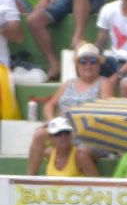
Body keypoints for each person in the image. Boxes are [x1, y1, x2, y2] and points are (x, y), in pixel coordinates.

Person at [26, 43, 109, 176]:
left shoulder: (103, 82)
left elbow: (107, 107)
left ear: (99, 64)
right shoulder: (68, 84)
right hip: (64, 130)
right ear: (77, 65)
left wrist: (76, 113)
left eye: (93, 61)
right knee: (39, 134)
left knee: (80, 151)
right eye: (83, 61)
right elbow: (50, 104)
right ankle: (29, 179)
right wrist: (52, 121)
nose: (88, 65)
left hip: (90, 133)